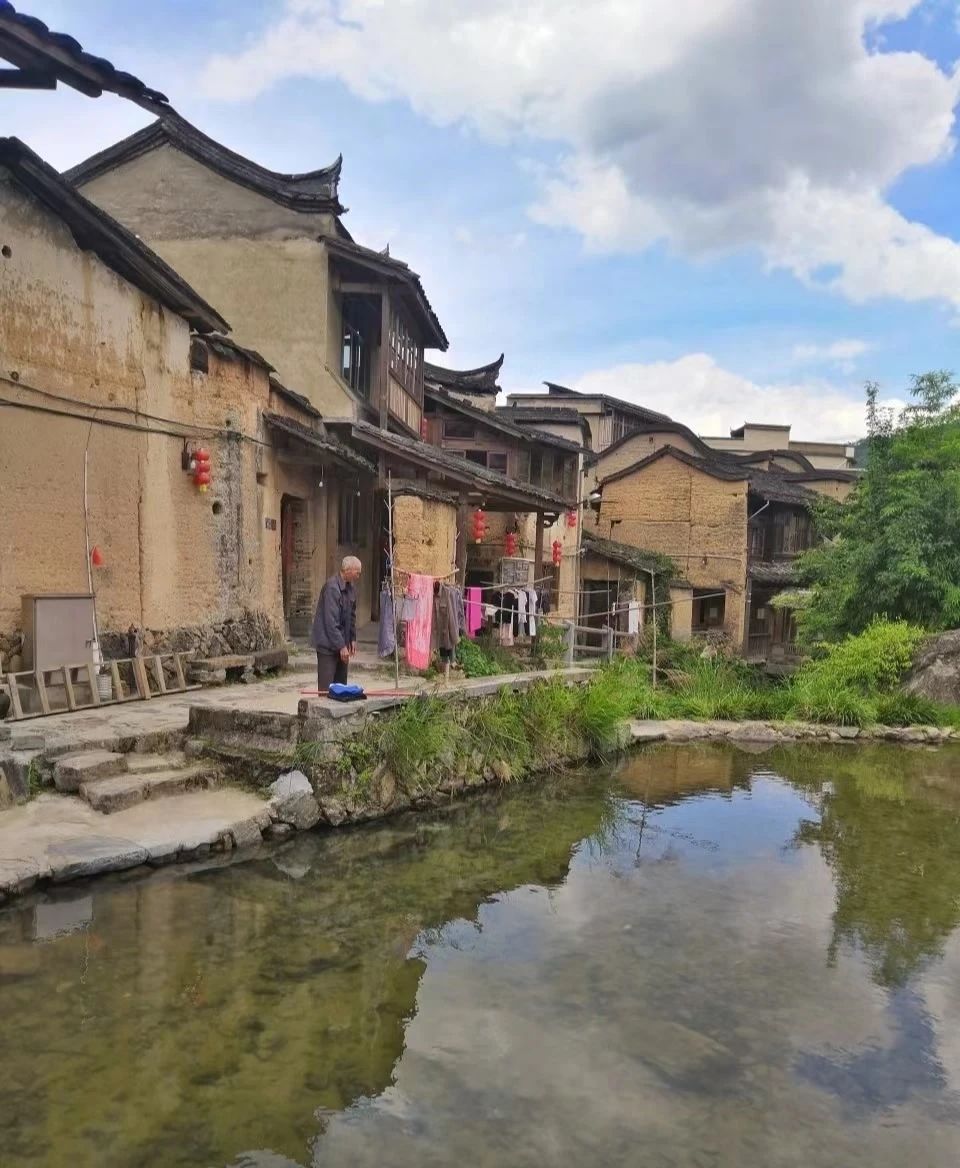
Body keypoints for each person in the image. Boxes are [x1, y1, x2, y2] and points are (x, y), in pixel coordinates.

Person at [312, 556, 361, 692]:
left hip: (341, 645)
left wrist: (352, 639)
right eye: (357, 572)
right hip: (327, 645)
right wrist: (341, 646)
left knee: (340, 688)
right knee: (326, 688)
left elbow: (352, 615)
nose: (358, 575)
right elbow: (330, 622)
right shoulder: (332, 588)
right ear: (348, 570)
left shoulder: (350, 588)